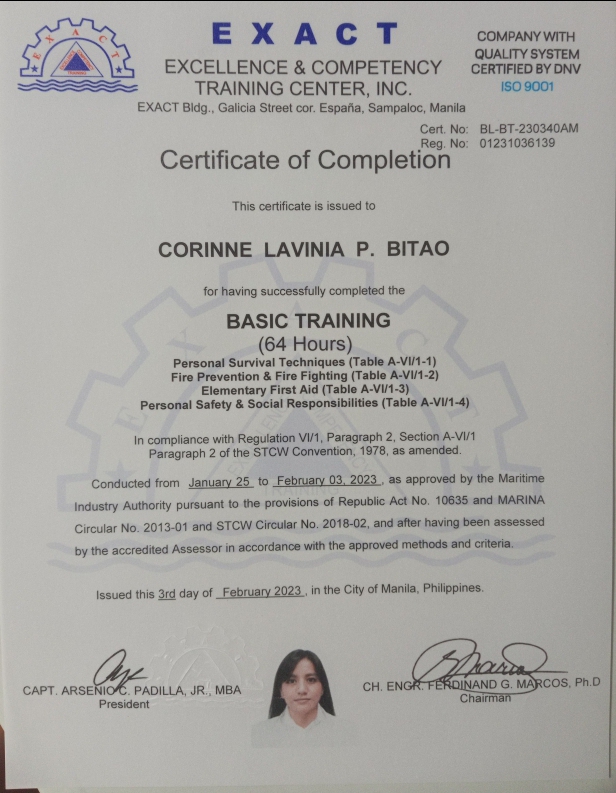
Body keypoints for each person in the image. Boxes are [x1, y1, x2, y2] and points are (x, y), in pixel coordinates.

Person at [251, 649, 352, 748]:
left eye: (311, 680)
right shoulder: (259, 734)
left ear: (323, 688)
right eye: (291, 681)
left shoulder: (346, 732)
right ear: (281, 690)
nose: (302, 690)